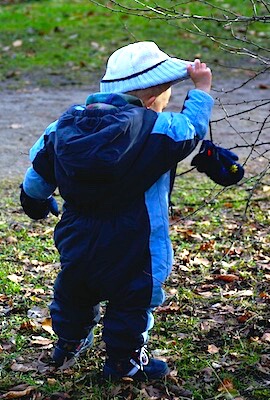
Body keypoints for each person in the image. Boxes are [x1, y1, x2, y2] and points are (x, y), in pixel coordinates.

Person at [20, 41, 214, 381]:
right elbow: (192, 128)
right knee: (132, 302)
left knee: (74, 291)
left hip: (78, 237)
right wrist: (201, 89)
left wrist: (35, 201)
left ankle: (68, 343)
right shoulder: (160, 128)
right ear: (154, 96)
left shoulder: (63, 127)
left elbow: (36, 177)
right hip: (137, 243)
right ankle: (124, 363)